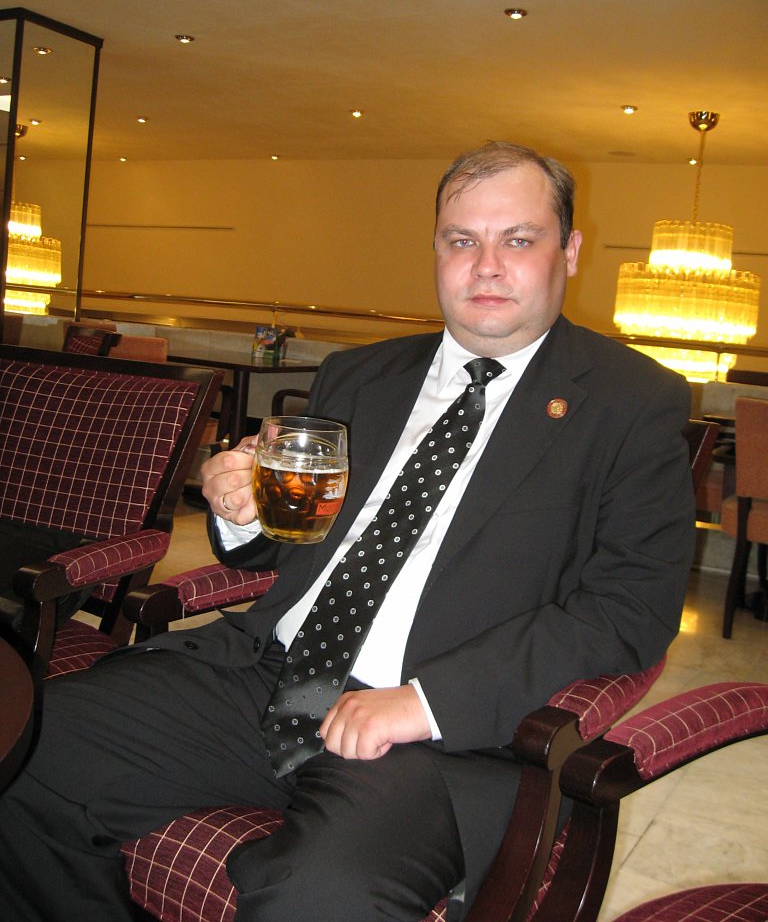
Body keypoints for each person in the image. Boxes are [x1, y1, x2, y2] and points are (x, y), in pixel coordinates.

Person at [0, 141, 695, 922]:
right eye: (461, 240)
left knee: (322, 896)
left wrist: (427, 701)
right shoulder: (361, 375)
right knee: (26, 753)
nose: (486, 266)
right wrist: (240, 511)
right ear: (436, 249)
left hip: (435, 740)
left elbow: (630, 608)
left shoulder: (633, 405)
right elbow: (295, 534)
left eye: (519, 239)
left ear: (568, 250)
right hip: (265, 671)